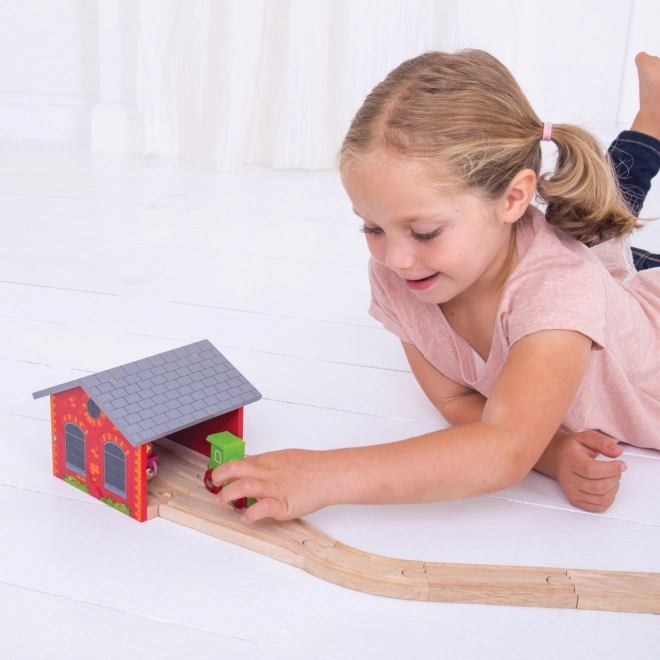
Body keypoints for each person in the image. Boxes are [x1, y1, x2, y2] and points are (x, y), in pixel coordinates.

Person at [210, 50, 660, 524]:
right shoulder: (404, 273)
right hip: (600, 285)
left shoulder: (559, 292)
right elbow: (459, 401)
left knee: (598, 229)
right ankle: (653, 115)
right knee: (595, 224)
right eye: (373, 228)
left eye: (424, 232)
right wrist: (550, 451)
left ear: (513, 199)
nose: (395, 259)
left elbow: (501, 451)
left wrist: (321, 474)